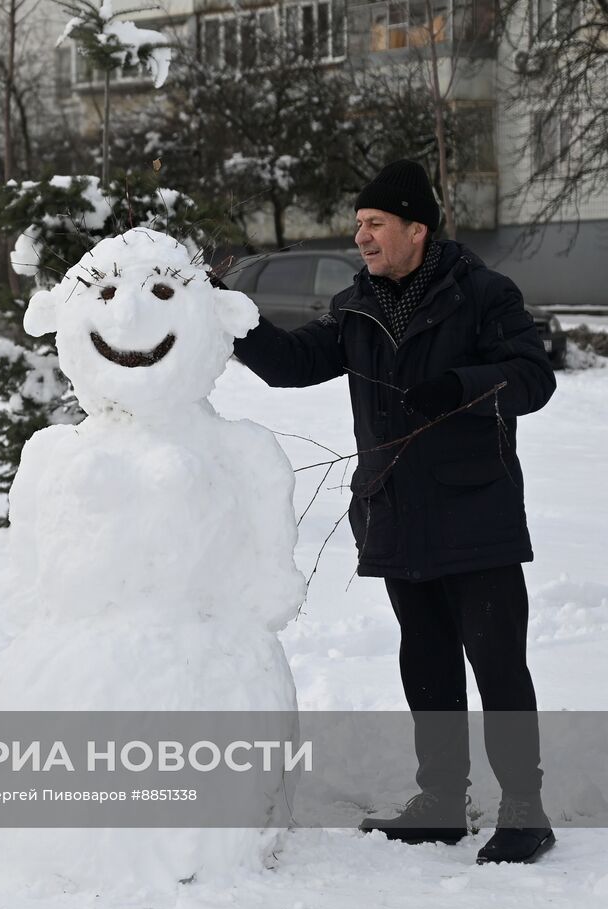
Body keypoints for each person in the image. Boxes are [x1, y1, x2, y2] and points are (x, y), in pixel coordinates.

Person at [225, 159, 557, 865]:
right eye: (358, 225)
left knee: (497, 664)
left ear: (417, 227)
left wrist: (460, 387)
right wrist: (227, 317)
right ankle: (441, 799)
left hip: (476, 514)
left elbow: (533, 376)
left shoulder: (484, 295)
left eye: (375, 223)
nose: (362, 237)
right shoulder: (358, 307)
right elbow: (288, 363)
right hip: (396, 511)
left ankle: (525, 810)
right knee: (426, 661)